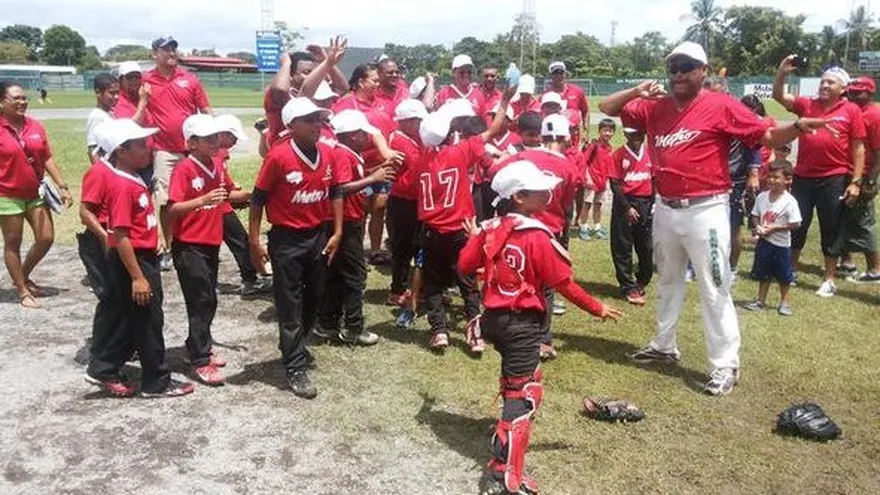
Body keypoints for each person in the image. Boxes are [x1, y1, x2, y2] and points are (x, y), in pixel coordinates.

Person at [601, 41, 831, 395]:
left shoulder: (721, 105)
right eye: (673, 66)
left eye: (687, 66)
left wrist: (798, 125)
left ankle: (725, 364)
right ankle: (664, 346)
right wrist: (636, 89)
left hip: (705, 209)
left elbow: (766, 134)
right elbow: (607, 107)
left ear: (703, 71)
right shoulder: (655, 107)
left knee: (714, 286)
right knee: (668, 281)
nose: (678, 73)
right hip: (665, 206)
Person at [457, 160, 621, 495]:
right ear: (518, 197)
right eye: (539, 190)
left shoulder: (489, 228)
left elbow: (464, 265)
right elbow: (563, 283)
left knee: (515, 386)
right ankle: (505, 476)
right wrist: (597, 307)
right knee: (524, 397)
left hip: (494, 319)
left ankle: (504, 445)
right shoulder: (535, 236)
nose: (548, 193)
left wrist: (476, 239)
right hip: (521, 325)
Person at [86, 119, 195, 398]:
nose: (148, 149)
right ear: (121, 151)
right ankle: (156, 381)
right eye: (141, 145)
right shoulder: (123, 186)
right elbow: (120, 235)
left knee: (136, 317)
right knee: (148, 320)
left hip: (142, 255)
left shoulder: (134, 179)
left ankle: (104, 365)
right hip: (133, 259)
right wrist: (137, 277)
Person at [248, 97, 343, 399]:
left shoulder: (327, 153)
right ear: (291, 126)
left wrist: (338, 230)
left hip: (318, 236)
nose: (318, 124)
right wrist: (253, 240)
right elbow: (257, 199)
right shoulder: (278, 157)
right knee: (289, 304)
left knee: (315, 296)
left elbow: (336, 191)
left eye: (319, 119)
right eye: (310, 119)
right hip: (287, 240)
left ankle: (295, 345)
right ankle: (294, 366)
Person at [417, 84, 516, 353]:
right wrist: (504, 101)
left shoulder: (421, 158)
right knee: (467, 281)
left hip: (430, 230)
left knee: (434, 283)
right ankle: (474, 334)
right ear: (451, 134)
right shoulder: (459, 151)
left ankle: (439, 331)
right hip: (459, 228)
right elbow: (494, 129)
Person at [488, 113, 582, 360]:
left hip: (517, 228)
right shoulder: (569, 167)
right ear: (564, 137)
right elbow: (566, 203)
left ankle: (510, 329)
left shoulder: (521, 156)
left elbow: (493, 173)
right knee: (547, 286)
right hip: (548, 231)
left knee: (512, 276)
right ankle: (542, 339)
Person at [169, 115, 250, 386]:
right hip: (189, 244)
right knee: (200, 299)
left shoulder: (216, 164)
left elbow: (228, 194)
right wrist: (201, 200)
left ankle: (196, 346)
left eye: (217, 137)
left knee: (209, 299)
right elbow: (172, 208)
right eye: (209, 139)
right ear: (191, 143)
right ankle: (200, 359)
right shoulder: (184, 169)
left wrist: (256, 194)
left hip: (210, 241)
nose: (216, 142)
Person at [773, 57, 866, 296]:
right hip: (803, 176)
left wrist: (856, 182)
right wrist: (782, 73)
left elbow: (858, 148)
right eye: (823, 82)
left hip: (832, 178)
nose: (824, 86)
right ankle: (790, 270)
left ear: (843, 89)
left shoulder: (851, 110)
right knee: (797, 224)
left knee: (831, 228)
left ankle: (829, 279)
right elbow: (780, 97)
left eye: (831, 83)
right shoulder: (807, 105)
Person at [316, 110, 396, 346]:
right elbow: (339, 188)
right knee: (354, 275)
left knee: (338, 274)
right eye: (363, 134)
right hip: (346, 223)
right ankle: (353, 327)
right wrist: (373, 179)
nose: (368, 138)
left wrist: (373, 173)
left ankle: (328, 322)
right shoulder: (342, 155)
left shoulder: (348, 153)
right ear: (352, 135)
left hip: (348, 220)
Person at [143, 36, 213, 272]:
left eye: (173, 48)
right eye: (165, 49)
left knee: (196, 196)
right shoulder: (146, 81)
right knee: (164, 200)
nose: (171, 53)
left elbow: (205, 109)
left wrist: (215, 139)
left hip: (192, 150)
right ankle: (167, 247)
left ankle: (193, 241)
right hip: (164, 150)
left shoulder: (189, 79)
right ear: (154, 54)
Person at [0, 81, 72, 309]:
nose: (22, 102)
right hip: (7, 194)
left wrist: (62, 185)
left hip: (35, 192)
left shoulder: (35, 126)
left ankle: (21, 275)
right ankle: (22, 290)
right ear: (2, 102)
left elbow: (47, 157)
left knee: (46, 238)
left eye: (24, 97)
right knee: (13, 241)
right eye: (15, 98)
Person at [333, 63, 401, 266]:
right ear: (361, 81)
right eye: (375, 80)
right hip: (359, 165)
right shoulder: (346, 105)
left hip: (382, 165)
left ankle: (375, 249)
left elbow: (383, 131)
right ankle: (354, 250)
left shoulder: (380, 102)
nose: (378, 84)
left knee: (380, 206)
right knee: (359, 210)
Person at [214, 115, 272, 296]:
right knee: (241, 242)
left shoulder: (220, 156)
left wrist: (244, 195)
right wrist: (255, 195)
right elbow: (223, 194)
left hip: (221, 207)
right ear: (221, 134)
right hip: (217, 209)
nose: (235, 141)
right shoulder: (215, 157)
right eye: (233, 137)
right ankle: (250, 280)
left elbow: (228, 188)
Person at [743, 160, 802, 316]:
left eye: (776, 177)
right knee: (764, 273)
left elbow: (796, 224)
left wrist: (776, 228)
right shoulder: (762, 197)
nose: (771, 180)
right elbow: (755, 215)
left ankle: (785, 303)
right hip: (764, 243)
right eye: (769, 176)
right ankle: (760, 300)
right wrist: (757, 227)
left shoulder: (790, 201)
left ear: (787, 180)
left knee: (784, 276)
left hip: (781, 245)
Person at [837, 76, 880, 282]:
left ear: (870, 93)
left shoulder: (875, 114)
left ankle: (875, 269)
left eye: (858, 91)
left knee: (863, 222)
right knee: (842, 218)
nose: (853, 94)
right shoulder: (852, 110)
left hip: (861, 175)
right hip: (844, 172)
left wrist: (870, 180)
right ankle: (847, 262)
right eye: (851, 91)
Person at [387, 99, 428, 307]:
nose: (421, 125)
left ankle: (417, 288)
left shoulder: (414, 139)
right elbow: (415, 168)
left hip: (417, 201)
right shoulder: (400, 140)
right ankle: (397, 290)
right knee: (403, 248)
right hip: (403, 202)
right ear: (407, 121)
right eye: (417, 120)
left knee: (418, 246)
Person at [609, 128, 654, 305]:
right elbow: (615, 184)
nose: (636, 138)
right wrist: (627, 208)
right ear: (626, 135)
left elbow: (655, 179)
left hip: (645, 204)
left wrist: (653, 204)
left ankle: (642, 280)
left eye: (639, 134)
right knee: (623, 246)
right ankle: (628, 286)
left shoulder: (651, 154)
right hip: (625, 203)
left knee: (647, 247)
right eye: (632, 135)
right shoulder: (619, 154)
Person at [578, 119, 615, 241]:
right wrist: (587, 178)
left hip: (602, 182)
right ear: (599, 131)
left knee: (598, 205)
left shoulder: (610, 148)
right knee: (587, 204)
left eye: (610, 131)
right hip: (591, 181)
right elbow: (584, 161)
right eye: (605, 130)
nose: (607, 133)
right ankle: (583, 227)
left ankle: (597, 227)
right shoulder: (594, 145)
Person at [544, 60, 590, 139]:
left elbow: (585, 111)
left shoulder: (577, 91)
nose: (559, 76)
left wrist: (586, 131)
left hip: (573, 136)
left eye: (561, 72)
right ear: (551, 75)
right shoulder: (546, 95)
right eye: (555, 73)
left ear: (565, 74)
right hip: (554, 137)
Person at [85, 73, 119, 163]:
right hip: (107, 167)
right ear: (98, 92)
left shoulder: (110, 113)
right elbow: (92, 149)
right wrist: (100, 173)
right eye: (112, 93)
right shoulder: (97, 116)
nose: (116, 97)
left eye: (117, 92)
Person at [113, 61, 151, 126]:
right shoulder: (119, 101)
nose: (134, 80)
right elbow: (131, 127)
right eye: (129, 77)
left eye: (137, 76)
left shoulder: (142, 94)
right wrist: (142, 101)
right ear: (121, 80)